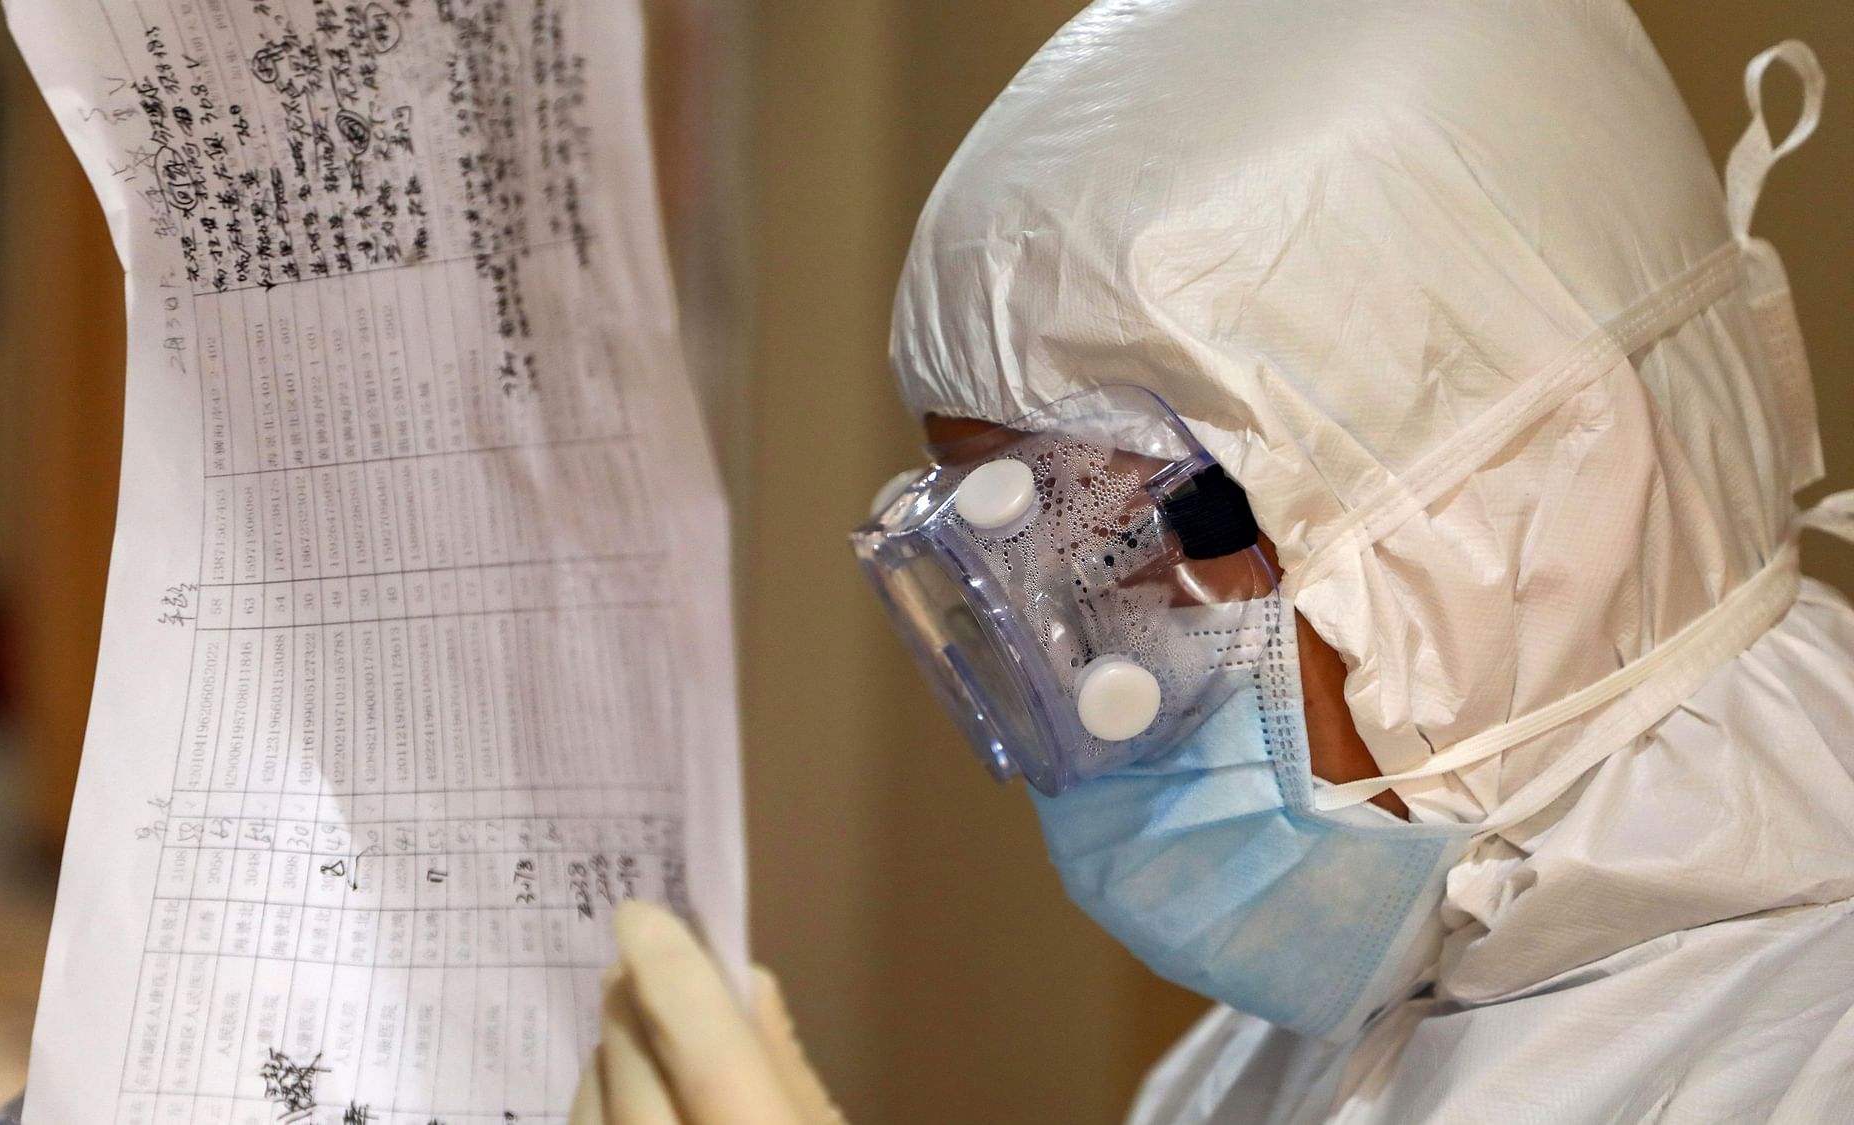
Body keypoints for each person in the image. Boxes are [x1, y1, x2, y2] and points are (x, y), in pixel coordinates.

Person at [573, 1, 1854, 1121]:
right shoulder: (1259, 1066)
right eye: (1028, 579)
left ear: (1488, 534)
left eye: (1121, 561)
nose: (1083, 672)